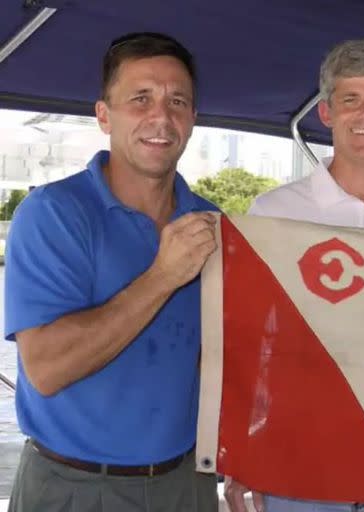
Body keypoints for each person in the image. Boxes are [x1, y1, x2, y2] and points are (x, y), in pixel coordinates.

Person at [224, 38, 364, 512]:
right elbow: (250, 344)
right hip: (297, 466)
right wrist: (240, 454)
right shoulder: (272, 212)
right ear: (326, 113)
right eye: (351, 99)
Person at [4, 32, 219, 512]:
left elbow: (220, 360)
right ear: (104, 115)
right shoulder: (53, 213)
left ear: (193, 119)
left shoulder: (213, 222)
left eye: (177, 101)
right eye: (140, 99)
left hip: (188, 483)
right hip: (73, 487)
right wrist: (163, 275)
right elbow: (47, 369)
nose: (161, 116)